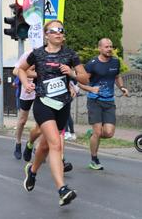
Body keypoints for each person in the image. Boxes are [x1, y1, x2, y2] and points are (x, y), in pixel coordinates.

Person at [19, 20, 89, 206]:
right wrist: (26, 83)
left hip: (63, 105)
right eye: (54, 30)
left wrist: (72, 73)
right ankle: (62, 189)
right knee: (56, 144)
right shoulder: (38, 54)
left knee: (45, 147)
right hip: (43, 103)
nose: (59, 33)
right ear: (46, 34)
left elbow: (85, 77)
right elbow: (20, 70)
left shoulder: (70, 54)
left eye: (61, 30)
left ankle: (32, 171)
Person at [78, 38, 129, 170]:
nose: (109, 49)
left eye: (111, 46)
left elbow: (117, 76)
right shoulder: (92, 64)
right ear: (100, 48)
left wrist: (122, 87)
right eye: (106, 47)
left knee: (109, 133)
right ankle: (94, 159)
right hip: (94, 101)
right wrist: (91, 89)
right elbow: (81, 82)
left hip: (109, 101)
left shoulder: (115, 62)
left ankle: (93, 134)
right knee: (97, 132)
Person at [13, 52, 36, 159]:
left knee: (43, 121)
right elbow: (16, 71)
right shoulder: (28, 54)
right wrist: (34, 74)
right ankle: (18, 143)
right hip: (27, 90)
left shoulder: (51, 54)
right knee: (22, 120)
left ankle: (37, 147)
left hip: (42, 90)